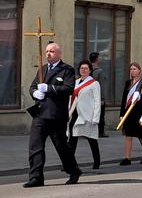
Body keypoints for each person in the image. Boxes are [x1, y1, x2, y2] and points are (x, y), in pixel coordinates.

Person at [24, 42, 82, 187]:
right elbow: (32, 86)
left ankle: (73, 170)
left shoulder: (67, 70)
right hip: (40, 113)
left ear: (58, 54)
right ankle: (36, 177)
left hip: (56, 115)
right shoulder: (42, 69)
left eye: (51, 51)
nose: (48, 54)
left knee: (61, 146)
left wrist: (49, 88)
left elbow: (69, 88)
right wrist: (34, 92)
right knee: (35, 146)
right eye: (46, 51)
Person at [68, 60, 101, 169]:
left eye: (86, 68)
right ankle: (69, 163)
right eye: (82, 68)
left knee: (92, 139)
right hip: (76, 114)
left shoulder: (94, 83)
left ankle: (97, 162)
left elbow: (97, 101)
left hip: (88, 115)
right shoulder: (76, 82)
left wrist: (96, 118)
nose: (84, 70)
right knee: (72, 139)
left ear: (90, 70)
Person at [118, 62, 142, 166]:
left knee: (140, 135)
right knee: (128, 134)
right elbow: (124, 99)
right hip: (128, 112)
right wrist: (121, 113)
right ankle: (127, 158)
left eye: (135, 69)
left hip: (138, 112)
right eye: (131, 69)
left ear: (139, 70)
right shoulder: (128, 83)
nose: (132, 71)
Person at [89, 52, 108, 137]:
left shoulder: (88, 70)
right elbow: (102, 86)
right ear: (96, 59)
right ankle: (100, 132)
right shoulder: (100, 72)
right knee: (100, 115)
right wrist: (102, 99)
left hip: (89, 97)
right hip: (98, 97)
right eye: (99, 57)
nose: (100, 59)